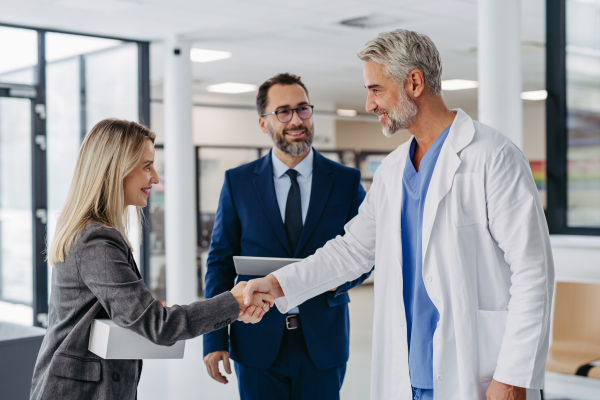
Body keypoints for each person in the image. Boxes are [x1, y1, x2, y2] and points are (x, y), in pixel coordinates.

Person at [243, 30, 554, 400]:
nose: (370, 103)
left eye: (376, 89)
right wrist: (278, 284)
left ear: (415, 82)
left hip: (475, 372)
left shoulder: (493, 157)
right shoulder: (393, 172)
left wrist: (514, 374)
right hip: (407, 374)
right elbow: (351, 251)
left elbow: (533, 272)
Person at [30, 119, 273, 400]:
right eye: (147, 166)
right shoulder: (95, 241)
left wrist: (234, 308)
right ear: (115, 169)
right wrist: (234, 300)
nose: (156, 178)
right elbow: (157, 325)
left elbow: (132, 318)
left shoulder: (94, 234)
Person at [202, 73, 373, 400]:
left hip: (323, 339)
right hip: (255, 340)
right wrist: (214, 339)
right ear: (263, 123)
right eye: (283, 111)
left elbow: (364, 253)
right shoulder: (238, 182)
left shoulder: (345, 181)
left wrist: (336, 280)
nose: (296, 120)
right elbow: (220, 264)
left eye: (303, 109)